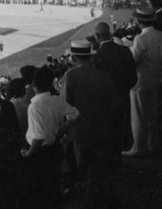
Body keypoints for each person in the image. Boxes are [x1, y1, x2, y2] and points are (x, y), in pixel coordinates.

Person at [59, 39, 118, 208]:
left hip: (79, 132)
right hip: (103, 130)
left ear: (75, 57)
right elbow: (113, 105)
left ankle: (90, 198)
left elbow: (65, 107)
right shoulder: (104, 76)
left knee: (83, 168)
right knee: (99, 168)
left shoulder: (70, 76)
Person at [21, 66, 78, 209]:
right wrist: (60, 131)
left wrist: (29, 153)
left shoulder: (35, 106)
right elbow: (75, 114)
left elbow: (38, 138)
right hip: (54, 147)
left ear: (34, 85)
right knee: (52, 182)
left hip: (39, 152)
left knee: (39, 187)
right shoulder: (56, 100)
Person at [123, 4, 162, 157]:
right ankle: (153, 144)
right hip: (156, 78)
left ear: (138, 21)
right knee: (152, 114)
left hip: (140, 81)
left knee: (138, 115)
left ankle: (138, 148)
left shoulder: (141, 39)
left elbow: (133, 62)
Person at [92, 22, 137, 163]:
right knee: (121, 129)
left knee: (106, 132)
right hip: (123, 98)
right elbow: (133, 78)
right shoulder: (124, 51)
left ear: (97, 36)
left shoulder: (96, 57)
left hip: (104, 103)